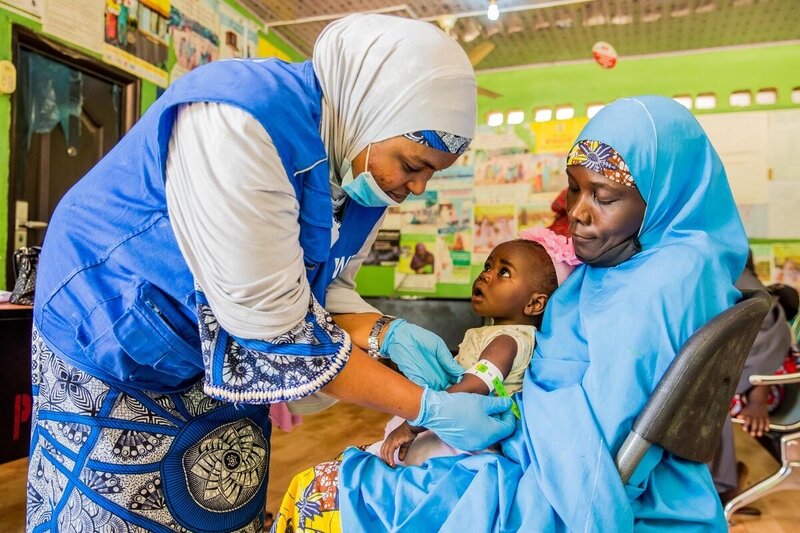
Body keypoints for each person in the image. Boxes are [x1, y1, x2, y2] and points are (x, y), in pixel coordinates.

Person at [26, 14, 516, 532]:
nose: (417, 189)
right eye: (413, 165)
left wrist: (383, 330)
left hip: (213, 352)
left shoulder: (358, 168)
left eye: (431, 174)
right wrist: (427, 406)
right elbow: (274, 327)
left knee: (214, 495)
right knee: (113, 505)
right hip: (110, 339)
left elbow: (324, 287)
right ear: (373, 112)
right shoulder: (239, 122)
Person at [273, 96, 747, 532]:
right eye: (574, 189)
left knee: (319, 489)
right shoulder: (621, 266)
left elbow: (594, 442)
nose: (579, 213)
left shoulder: (665, 280)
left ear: (663, 194)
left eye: (603, 197)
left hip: (551, 475)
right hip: (533, 446)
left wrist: (481, 419)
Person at [370, 228, 579, 467]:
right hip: (458, 423)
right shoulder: (498, 335)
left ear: (534, 303)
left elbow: (475, 387)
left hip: (469, 442)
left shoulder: (507, 341)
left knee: (395, 461)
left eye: (504, 272)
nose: (486, 276)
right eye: (488, 266)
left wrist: (415, 423)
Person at [712, 250, 793, 503]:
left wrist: (758, 400)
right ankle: (717, 479)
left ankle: (722, 487)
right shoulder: (735, 279)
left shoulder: (741, 283)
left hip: (767, 387)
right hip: (747, 381)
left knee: (705, 398)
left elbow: (767, 347)